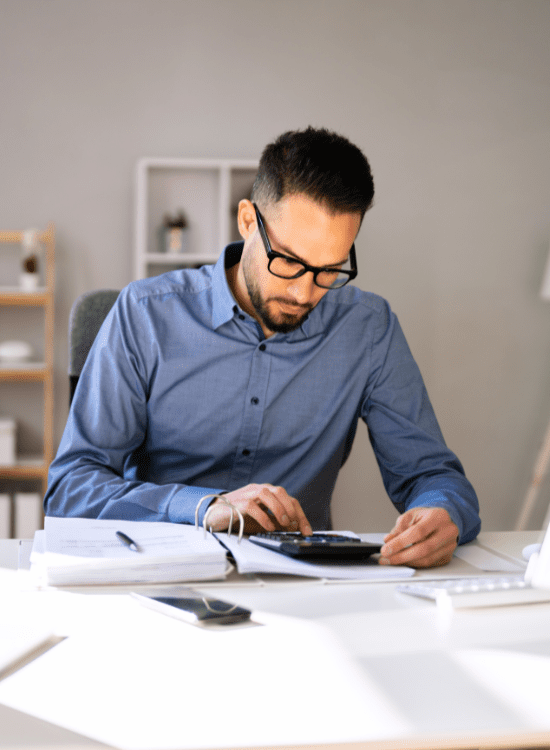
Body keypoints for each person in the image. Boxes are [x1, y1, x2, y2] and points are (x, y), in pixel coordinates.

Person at [46, 127, 479, 567]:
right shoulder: (145, 314)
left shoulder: (368, 328)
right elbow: (71, 490)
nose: (305, 293)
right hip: (159, 573)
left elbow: (431, 474)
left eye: (329, 270)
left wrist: (442, 512)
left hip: (303, 581)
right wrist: (204, 507)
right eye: (289, 261)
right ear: (248, 221)